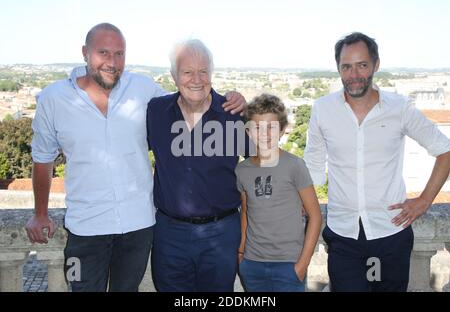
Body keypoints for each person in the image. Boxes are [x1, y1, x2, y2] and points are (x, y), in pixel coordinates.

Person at [25, 23, 245, 292]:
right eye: (103, 52)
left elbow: (191, 96)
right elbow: (42, 158)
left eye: (119, 54)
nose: (112, 62)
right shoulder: (53, 98)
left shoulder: (143, 90)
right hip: (84, 229)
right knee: (80, 288)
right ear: (85, 52)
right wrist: (40, 213)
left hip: (137, 227)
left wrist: (234, 99)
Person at [304, 32, 450, 292]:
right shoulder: (323, 109)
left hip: (390, 233)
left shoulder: (399, 108)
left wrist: (425, 199)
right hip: (343, 235)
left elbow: (445, 150)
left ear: (376, 65)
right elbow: (313, 167)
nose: (354, 74)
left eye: (362, 65)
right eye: (346, 67)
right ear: (338, 69)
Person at [147, 39, 249, 292]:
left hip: (222, 234)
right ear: (174, 76)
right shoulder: (156, 111)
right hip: (170, 234)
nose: (196, 79)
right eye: (187, 72)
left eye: (203, 71)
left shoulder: (233, 113)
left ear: (211, 74)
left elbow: (265, 161)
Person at [236, 94, 322, 292]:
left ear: (282, 130)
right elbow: (246, 212)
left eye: (271, 127)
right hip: (252, 263)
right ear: (248, 131)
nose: (264, 133)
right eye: (257, 127)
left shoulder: (294, 165)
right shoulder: (242, 170)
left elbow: (315, 216)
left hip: (289, 263)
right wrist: (241, 253)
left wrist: (302, 264)